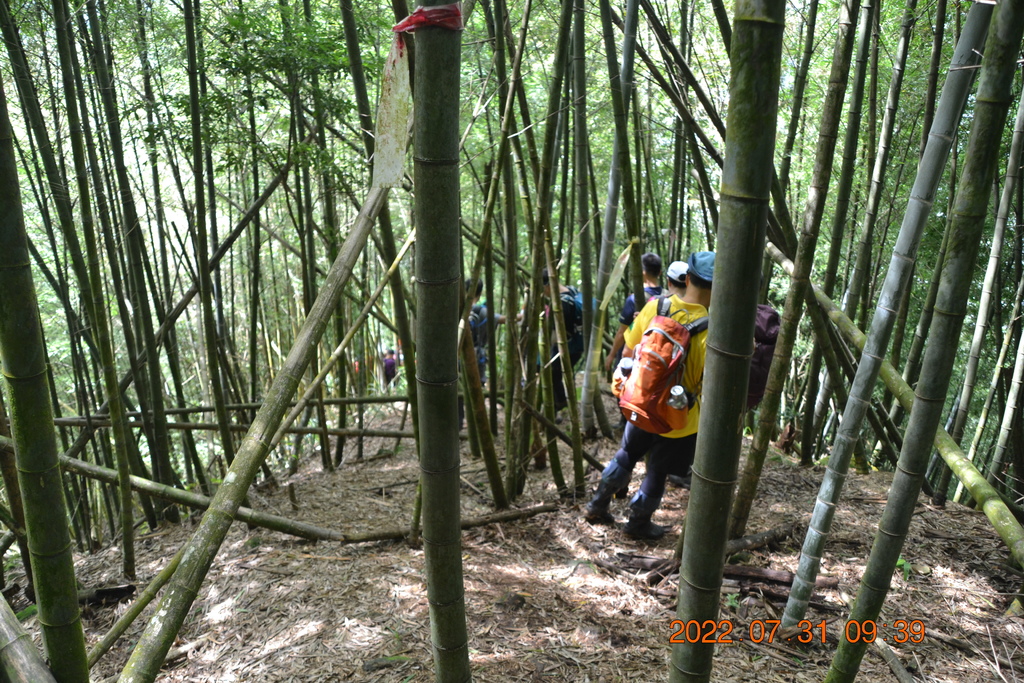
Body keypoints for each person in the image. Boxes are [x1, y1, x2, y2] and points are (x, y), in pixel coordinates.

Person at [585, 252, 714, 540]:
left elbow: (629, 349)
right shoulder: (714, 331)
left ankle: (597, 505)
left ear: (688, 278)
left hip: (641, 400)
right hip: (679, 417)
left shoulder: (657, 306)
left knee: (626, 454)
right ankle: (638, 524)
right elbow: (708, 385)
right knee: (657, 471)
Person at [605, 252, 665, 372]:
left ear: (641, 272)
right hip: (658, 354)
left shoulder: (633, 299)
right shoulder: (668, 296)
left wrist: (611, 355)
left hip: (632, 355)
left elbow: (622, 332)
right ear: (660, 273)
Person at [542, 268, 585, 411]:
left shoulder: (561, 303)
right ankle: (561, 405)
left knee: (554, 375)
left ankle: (560, 405)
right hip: (578, 343)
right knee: (558, 375)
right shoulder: (572, 290)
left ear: (547, 286)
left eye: (543, 290)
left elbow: (557, 335)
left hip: (568, 346)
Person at [466, 278, 506, 385]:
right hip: (477, 359)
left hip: (458, 359)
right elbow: (504, 319)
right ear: (480, 293)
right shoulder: (483, 312)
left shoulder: (458, 309)